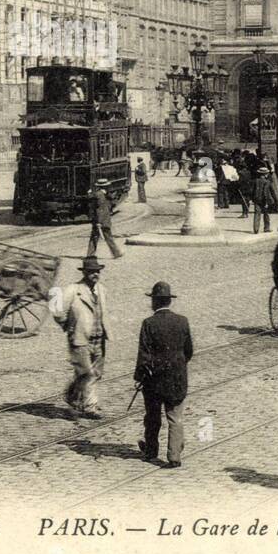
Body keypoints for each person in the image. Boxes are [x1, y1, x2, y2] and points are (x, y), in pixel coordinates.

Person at [135, 281, 193, 469]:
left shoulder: (148, 324)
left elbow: (143, 355)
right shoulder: (182, 321)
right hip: (176, 379)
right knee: (175, 417)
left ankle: (151, 450)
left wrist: (140, 377)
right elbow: (188, 351)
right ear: (169, 301)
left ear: (154, 302)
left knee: (152, 416)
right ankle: (174, 455)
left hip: (154, 381)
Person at [53, 256, 110, 419]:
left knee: (95, 373)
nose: (95, 274)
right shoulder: (73, 289)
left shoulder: (101, 289)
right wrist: (69, 326)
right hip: (80, 338)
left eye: (97, 271)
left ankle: (73, 394)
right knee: (87, 373)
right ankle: (90, 406)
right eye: (92, 272)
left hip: (99, 338)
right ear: (84, 272)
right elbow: (58, 311)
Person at [87, 179, 123, 258]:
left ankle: (90, 254)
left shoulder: (100, 195)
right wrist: (99, 222)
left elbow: (101, 209)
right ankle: (116, 253)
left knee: (95, 237)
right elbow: (102, 209)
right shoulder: (102, 195)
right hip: (103, 220)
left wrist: (99, 222)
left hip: (101, 220)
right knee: (106, 236)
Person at [252, 165, 278, 234]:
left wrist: (252, 199)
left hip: (257, 199)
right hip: (265, 200)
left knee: (257, 214)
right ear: (265, 174)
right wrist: (275, 200)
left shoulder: (256, 181)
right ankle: (266, 228)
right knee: (266, 214)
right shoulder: (268, 182)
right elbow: (272, 192)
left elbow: (252, 191)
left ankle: (256, 229)